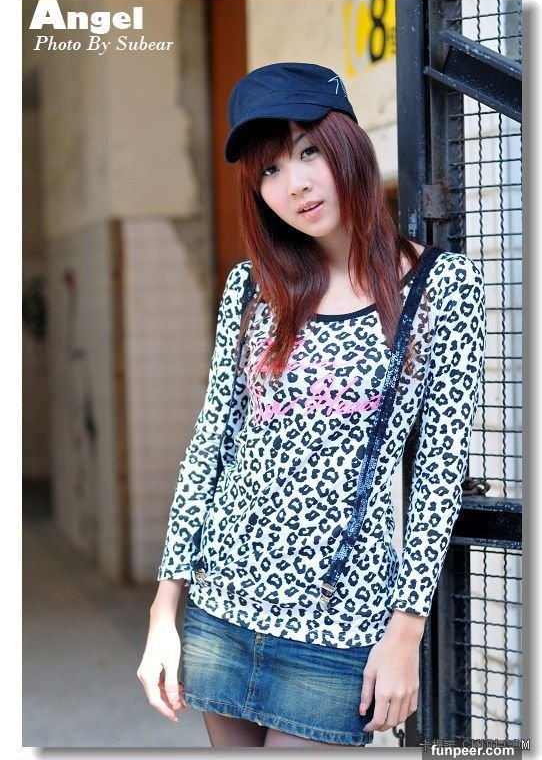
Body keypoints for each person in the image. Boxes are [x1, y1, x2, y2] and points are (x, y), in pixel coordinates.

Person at [137, 62, 487, 748]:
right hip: (223, 604)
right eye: (269, 170)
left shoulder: (442, 286)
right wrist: (162, 612)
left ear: (347, 145)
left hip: (338, 622)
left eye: (307, 151)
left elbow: (439, 471)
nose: (293, 184)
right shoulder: (251, 288)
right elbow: (211, 447)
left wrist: (405, 631)